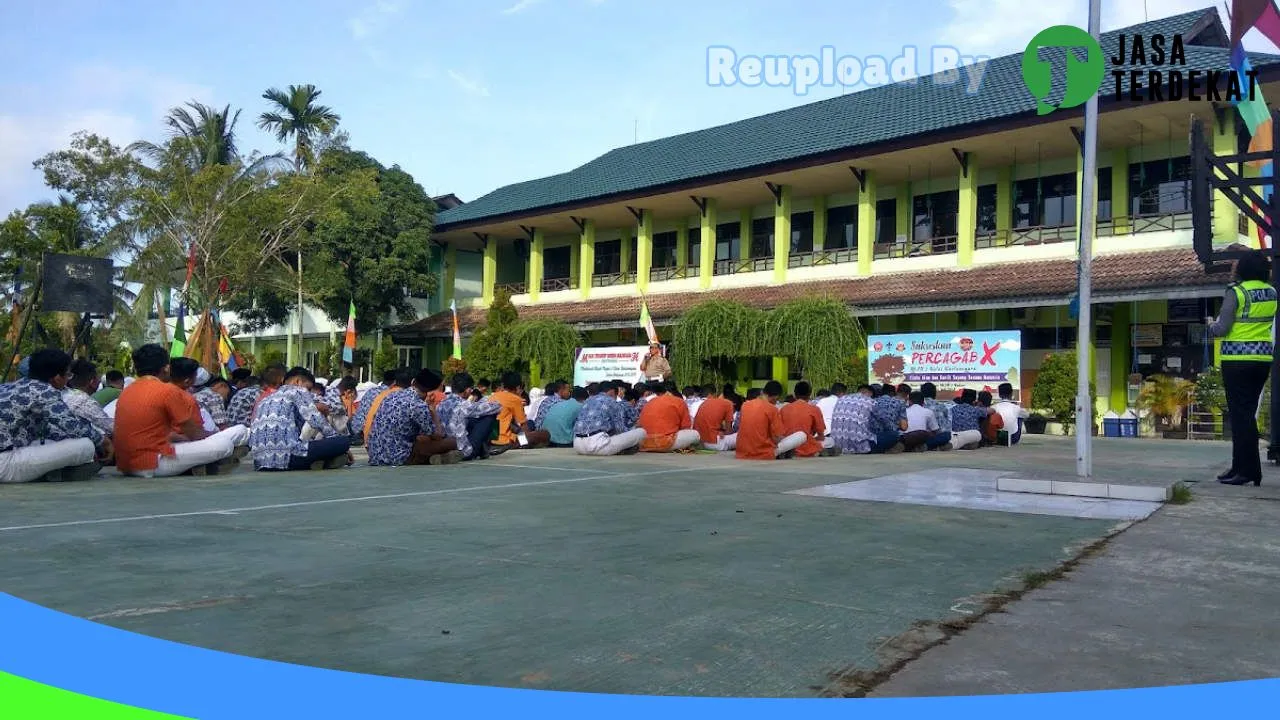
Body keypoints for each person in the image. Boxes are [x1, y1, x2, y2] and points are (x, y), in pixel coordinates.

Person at [113, 344, 245, 477]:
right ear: (166, 368)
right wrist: (215, 436)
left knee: (223, 438)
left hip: (126, 465)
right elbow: (195, 435)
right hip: (152, 463)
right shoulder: (168, 391)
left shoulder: (126, 392)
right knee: (224, 444)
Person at [1207, 250, 1276, 486]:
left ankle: (1248, 471)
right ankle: (1238, 467)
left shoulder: (1236, 292)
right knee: (1245, 414)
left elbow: (1222, 328)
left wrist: (1211, 325)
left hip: (1237, 360)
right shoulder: (1271, 292)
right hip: (1262, 360)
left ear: (1243, 269)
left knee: (1241, 416)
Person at [0, 349, 111, 483]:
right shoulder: (44, 390)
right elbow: (72, 426)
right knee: (85, 445)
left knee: (53, 440)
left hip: (8, 452)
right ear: (57, 378)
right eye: (68, 375)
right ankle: (53, 475)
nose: (68, 380)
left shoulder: (7, 387)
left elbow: (51, 430)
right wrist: (103, 441)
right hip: (5, 463)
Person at [250, 366, 351, 471]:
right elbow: (316, 421)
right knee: (343, 442)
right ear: (298, 381)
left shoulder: (265, 399)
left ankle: (318, 461)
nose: (309, 393)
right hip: (287, 458)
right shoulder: (297, 391)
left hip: (260, 461)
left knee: (313, 446)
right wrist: (336, 441)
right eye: (308, 388)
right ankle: (325, 460)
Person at [367, 369, 461, 466]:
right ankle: (434, 457)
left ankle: (433, 458)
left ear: (413, 382)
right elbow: (438, 436)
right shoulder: (419, 406)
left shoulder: (391, 395)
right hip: (398, 458)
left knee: (422, 439)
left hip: (375, 456)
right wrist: (432, 410)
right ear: (431, 391)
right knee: (452, 442)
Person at [436, 372, 502, 461]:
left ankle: (481, 448)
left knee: (469, 419)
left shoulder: (441, 404)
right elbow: (497, 407)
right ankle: (483, 448)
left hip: (447, 445)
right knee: (488, 417)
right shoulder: (465, 405)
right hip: (464, 450)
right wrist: (477, 399)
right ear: (467, 390)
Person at [735, 381, 806, 460]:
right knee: (801, 435)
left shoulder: (745, 405)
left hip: (741, 452)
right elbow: (777, 438)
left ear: (763, 392)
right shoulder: (772, 409)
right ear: (776, 397)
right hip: (762, 453)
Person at [573, 381, 647, 455]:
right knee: (641, 432)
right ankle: (621, 450)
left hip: (578, 445)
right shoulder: (612, 402)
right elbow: (620, 430)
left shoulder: (587, 401)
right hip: (598, 446)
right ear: (612, 392)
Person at [490, 372, 551, 450]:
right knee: (545, 434)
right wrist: (525, 441)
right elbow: (523, 426)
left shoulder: (493, 396)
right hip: (505, 441)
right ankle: (523, 445)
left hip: (491, 440)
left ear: (503, 385)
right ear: (518, 387)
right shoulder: (515, 399)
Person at [638, 381, 701, 452]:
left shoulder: (650, 401)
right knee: (695, 434)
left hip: (645, 443)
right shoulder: (679, 401)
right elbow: (686, 427)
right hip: (665, 443)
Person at [779, 381, 834, 457]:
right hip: (806, 447)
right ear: (809, 394)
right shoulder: (814, 409)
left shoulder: (784, 409)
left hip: (788, 446)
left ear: (795, 394)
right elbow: (821, 436)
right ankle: (817, 451)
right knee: (830, 441)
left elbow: (779, 433)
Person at [63, 358, 114, 437]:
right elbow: (111, 428)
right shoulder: (84, 401)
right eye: (98, 378)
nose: (99, 381)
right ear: (92, 381)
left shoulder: (62, 394)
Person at [352, 369, 398, 443]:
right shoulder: (392, 395)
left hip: (356, 431)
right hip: (369, 437)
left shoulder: (371, 391)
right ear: (395, 382)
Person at [830, 384, 876, 454]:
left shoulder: (841, 399)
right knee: (892, 435)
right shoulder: (871, 401)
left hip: (836, 445)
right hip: (860, 447)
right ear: (871, 393)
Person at [694, 383, 736, 451]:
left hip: (701, 442)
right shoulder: (728, 403)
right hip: (715, 443)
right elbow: (729, 430)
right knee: (741, 435)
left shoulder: (705, 403)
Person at [867, 383, 907, 453]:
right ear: (893, 393)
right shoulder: (900, 402)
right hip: (891, 436)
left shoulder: (871, 401)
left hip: (873, 438)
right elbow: (904, 427)